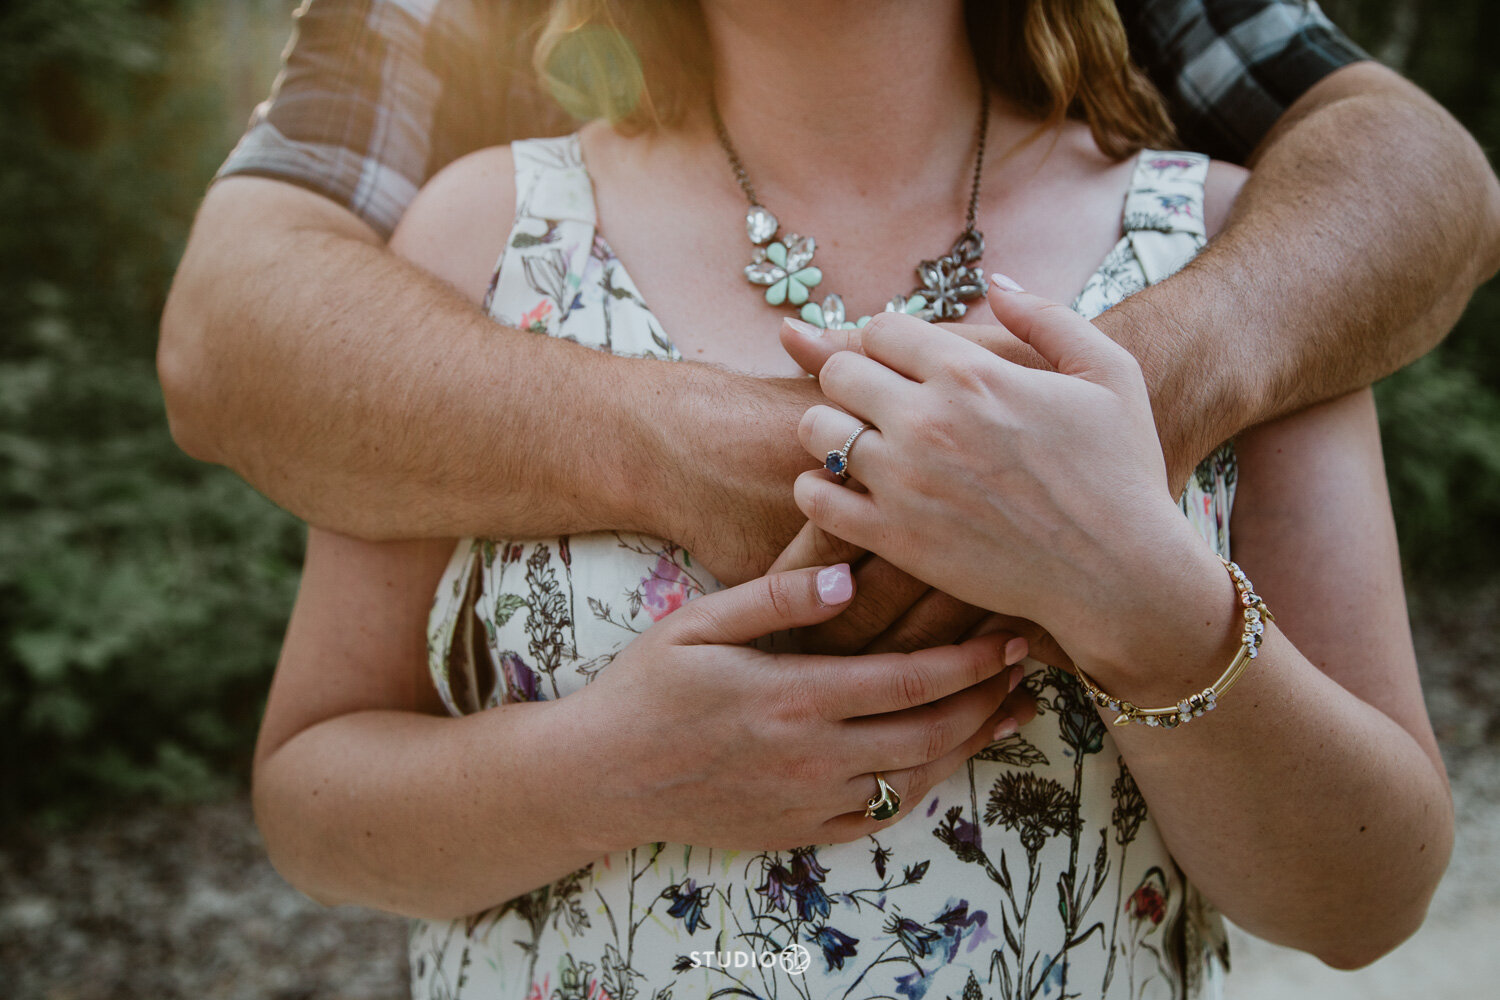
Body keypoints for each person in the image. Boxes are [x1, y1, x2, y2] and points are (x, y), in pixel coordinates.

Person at [247, 2, 1452, 998]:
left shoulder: (1234, 245)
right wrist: (596, 769)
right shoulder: (484, 234)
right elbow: (308, 802)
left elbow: (1369, 897)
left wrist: (1143, 600)